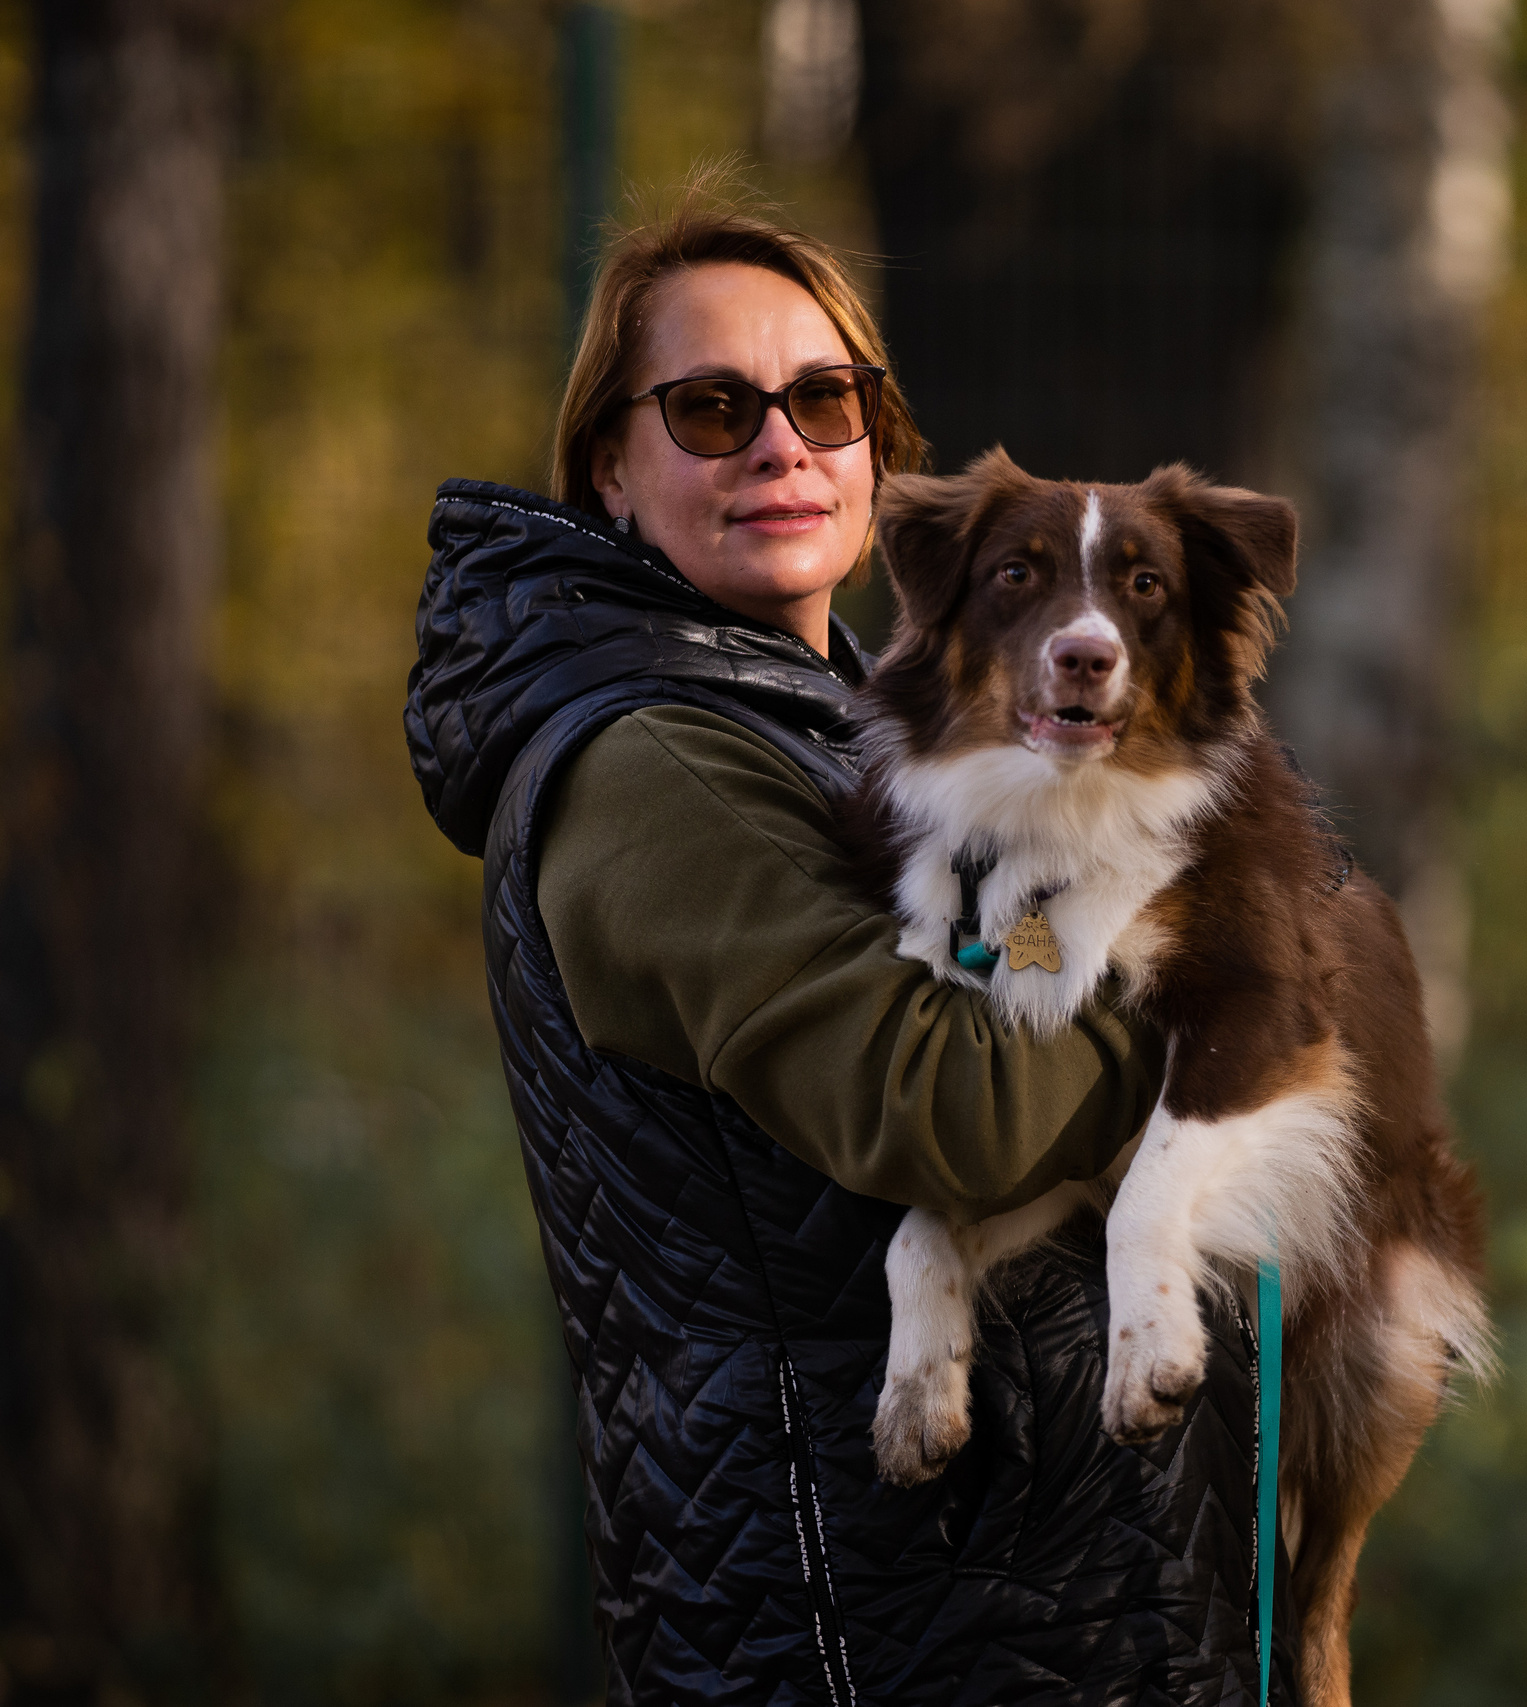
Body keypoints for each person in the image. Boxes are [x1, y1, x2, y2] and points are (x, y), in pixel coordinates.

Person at [405, 180, 1298, 1706]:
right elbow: (945, 1105)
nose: (780, 444)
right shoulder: (657, 766)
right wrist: (1224, 957)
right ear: (609, 469)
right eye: (707, 408)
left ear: (880, 445)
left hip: (1023, 1603)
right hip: (871, 1628)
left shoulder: (852, 735)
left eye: (825, 398)